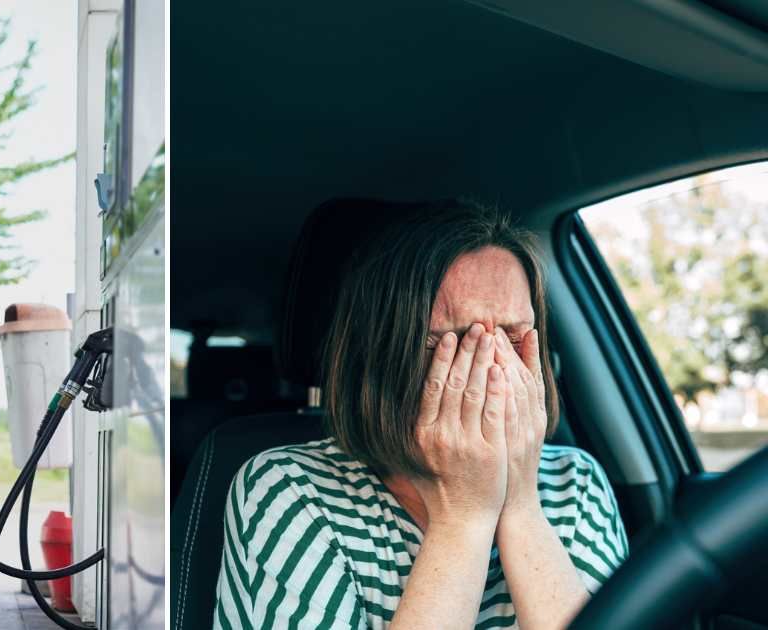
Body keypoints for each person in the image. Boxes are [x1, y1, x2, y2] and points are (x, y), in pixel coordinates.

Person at [212, 202, 629, 629]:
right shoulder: (289, 488)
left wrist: (520, 506)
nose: (490, 368)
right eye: (448, 343)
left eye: (511, 337)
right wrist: (462, 519)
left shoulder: (575, 485)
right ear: (379, 357)